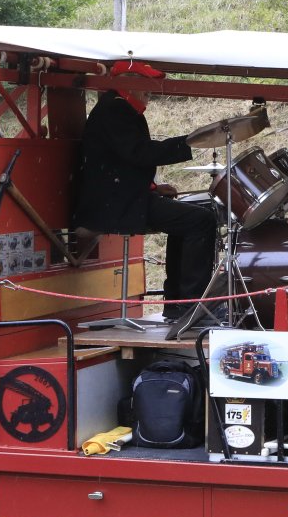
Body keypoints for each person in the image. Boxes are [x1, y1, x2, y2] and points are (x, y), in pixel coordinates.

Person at [73, 60, 217, 322]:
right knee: (201, 220)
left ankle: (179, 302)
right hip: (115, 204)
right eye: (145, 83)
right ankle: (189, 304)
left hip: (123, 197)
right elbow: (139, 153)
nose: (150, 89)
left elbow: (123, 162)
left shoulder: (119, 108)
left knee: (191, 219)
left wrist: (153, 187)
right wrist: (188, 142)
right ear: (128, 83)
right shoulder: (115, 109)